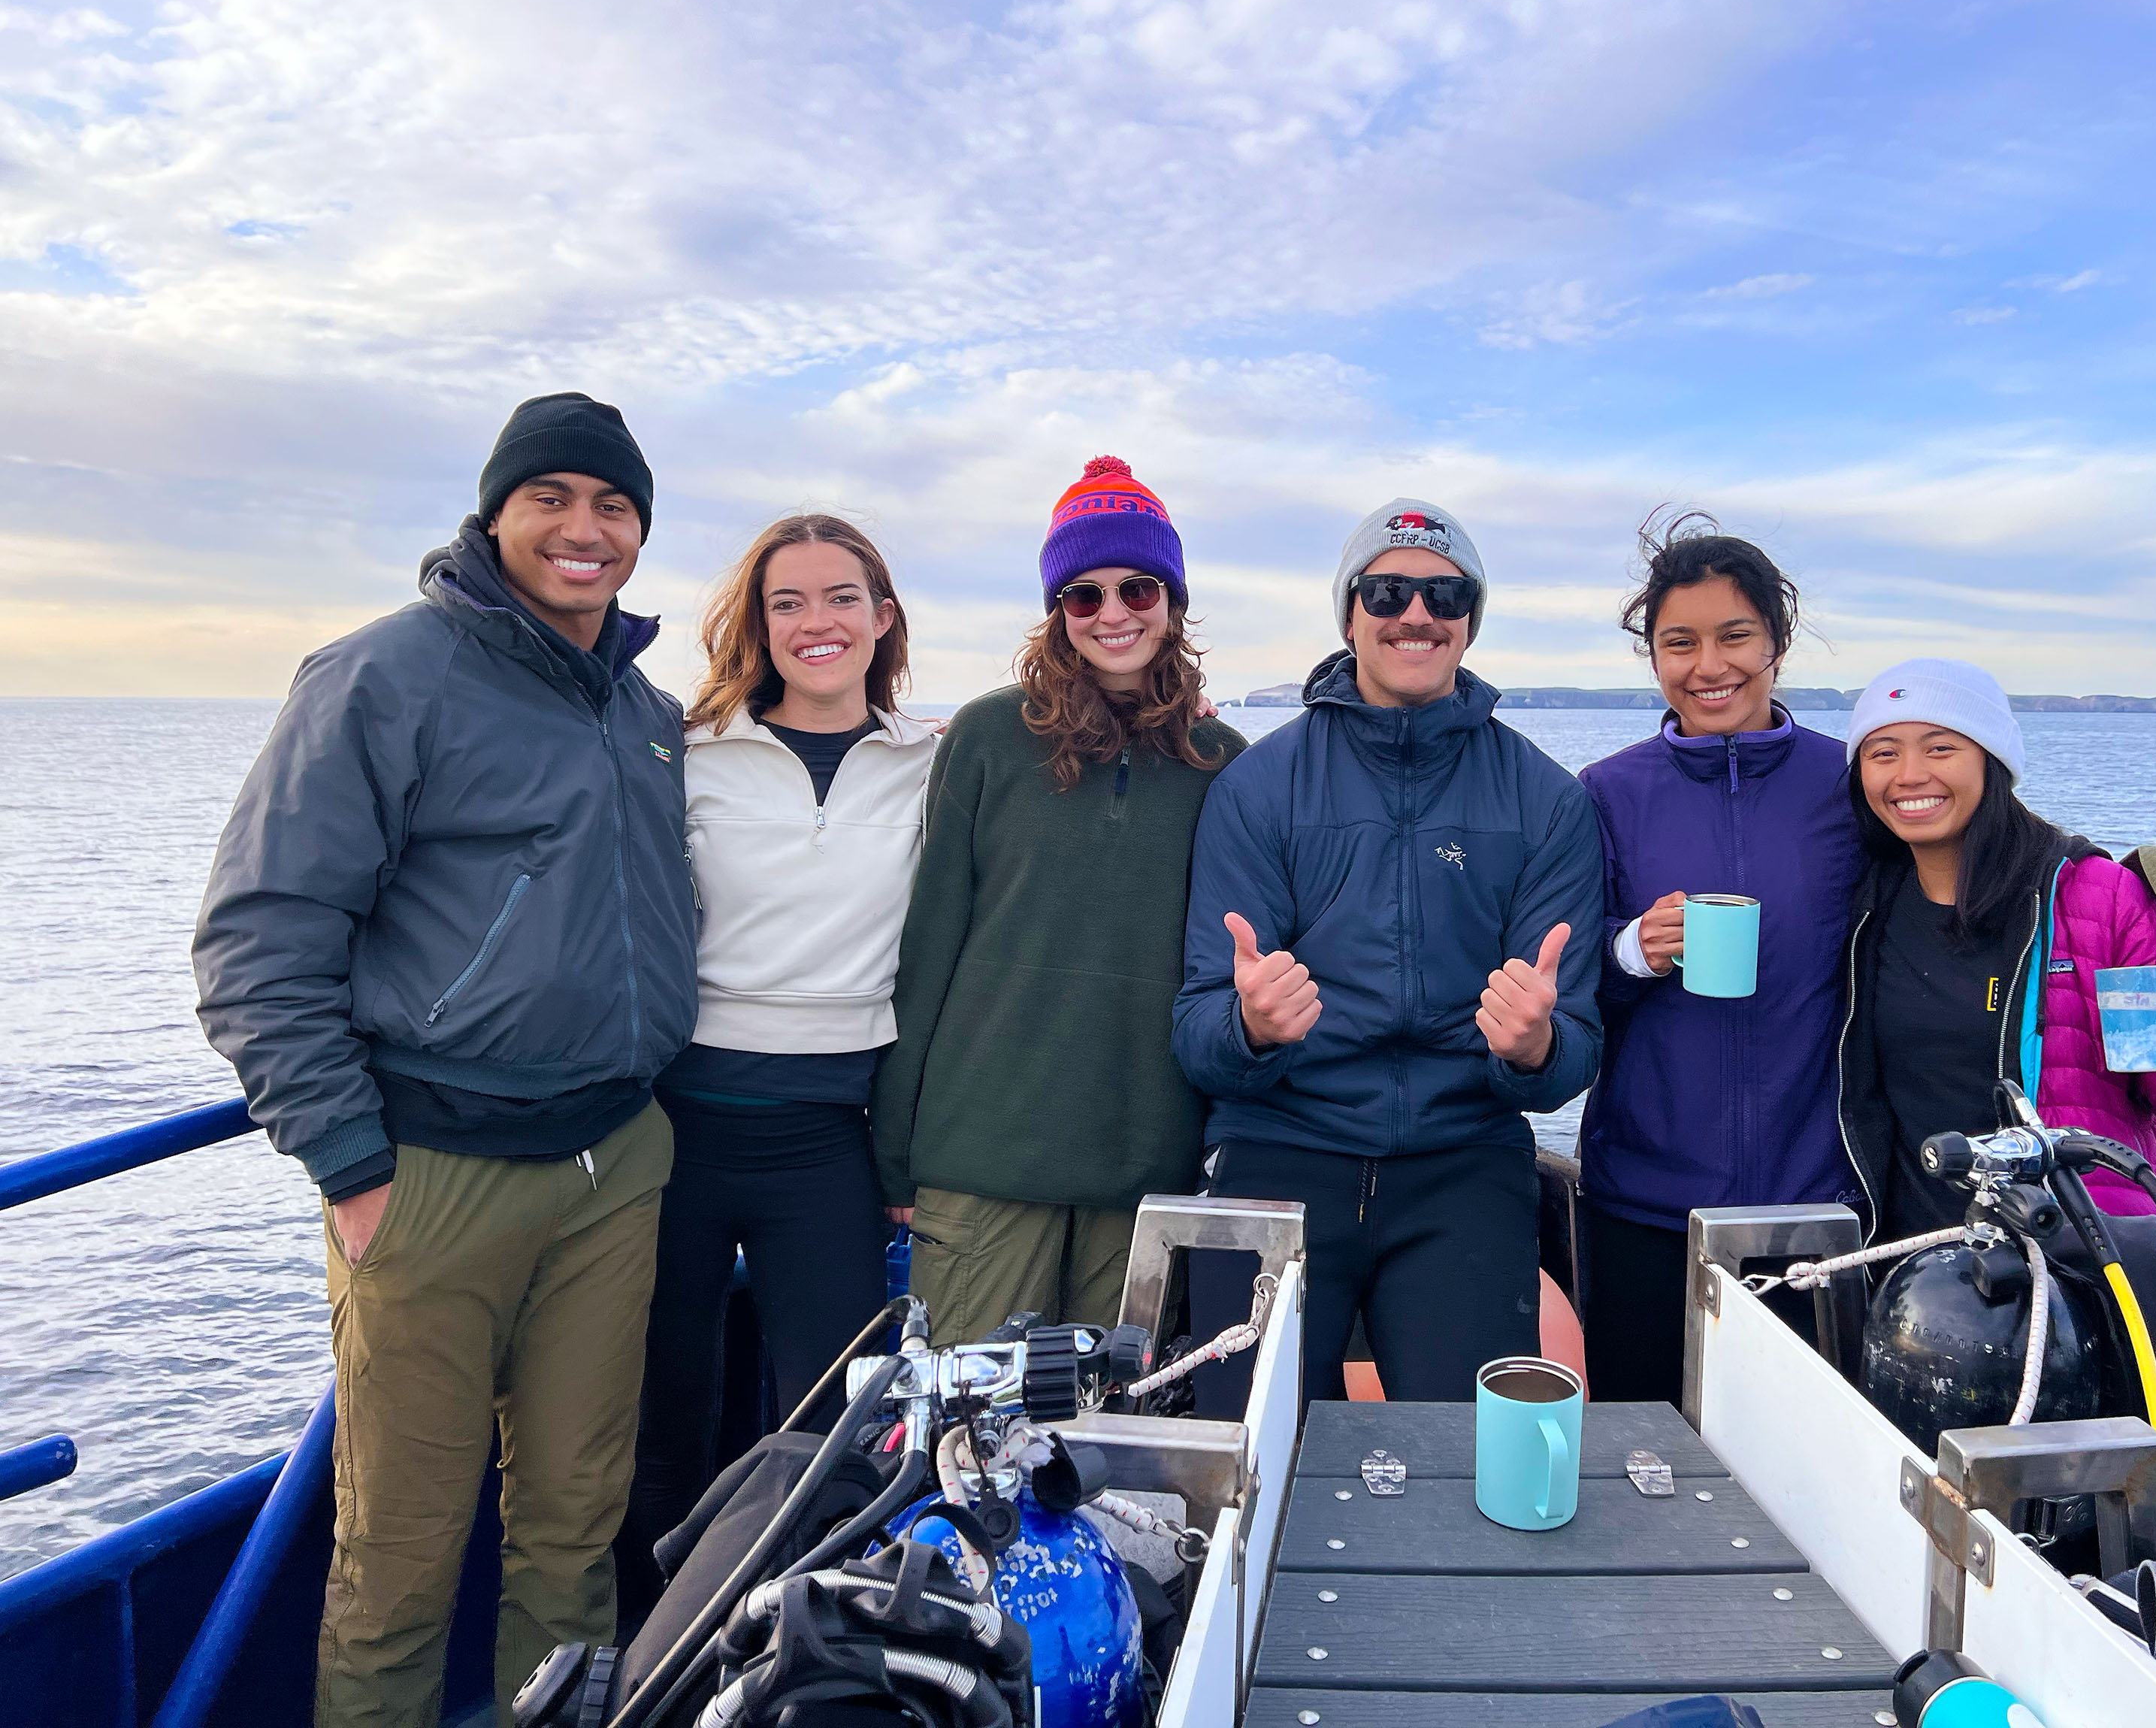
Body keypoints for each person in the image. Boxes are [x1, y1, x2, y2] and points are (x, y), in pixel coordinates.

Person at [192, 393, 694, 1727]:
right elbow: (258, 938)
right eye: (554, 500)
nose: (586, 531)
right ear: (495, 514)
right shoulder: (384, 675)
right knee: (401, 1551)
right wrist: (351, 1160)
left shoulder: (642, 709)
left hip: (611, 1166)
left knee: (574, 1525)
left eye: (615, 507)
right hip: (430, 1174)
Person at [1173, 498, 1604, 1404]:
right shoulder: (1258, 787)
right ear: (1350, 614)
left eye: (1445, 596)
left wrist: (1535, 1049)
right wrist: (1249, 1027)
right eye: (1389, 590)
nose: (1417, 613)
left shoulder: (1547, 801)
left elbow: (1572, 1049)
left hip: (1464, 1162)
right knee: (1245, 1451)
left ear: (1471, 622)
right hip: (1280, 1150)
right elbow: (1198, 1030)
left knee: (1467, 1458)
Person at [617, 513, 935, 1629]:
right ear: (755, 623)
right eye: (786, 602)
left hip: (830, 1138)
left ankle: (802, 1656)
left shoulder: (930, 764)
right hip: (677, 1131)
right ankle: (651, 1658)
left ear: (882, 618)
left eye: (842, 598)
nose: (816, 623)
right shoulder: (688, 752)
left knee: (834, 1421)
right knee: (666, 1423)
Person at [872, 457, 1244, 1345]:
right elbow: (927, 953)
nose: (1113, 612)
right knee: (970, 1448)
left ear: (1173, 599)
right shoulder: (987, 737)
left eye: (1138, 587)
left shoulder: (1223, 762)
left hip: (1147, 1167)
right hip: (982, 1161)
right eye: (1084, 595)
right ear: (1058, 613)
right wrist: (892, 1154)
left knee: (1109, 1448)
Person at [1574, 513, 1864, 1406]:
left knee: (1804, 1480)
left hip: (1816, 1204)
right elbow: (1563, 987)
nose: (1710, 666)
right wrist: (1631, 951)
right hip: (1644, 1202)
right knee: (1643, 1468)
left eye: (1736, 636)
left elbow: (1984, 889)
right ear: (1652, 656)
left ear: (1777, 642)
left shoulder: (1851, 782)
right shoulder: (1607, 793)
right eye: (1680, 642)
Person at [1836, 658, 2156, 1238]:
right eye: (1882, 753)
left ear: (1992, 761)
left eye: (1940, 749)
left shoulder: (2096, 895)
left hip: (2076, 1248)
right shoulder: (1866, 903)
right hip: (1909, 1256)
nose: (1909, 775)